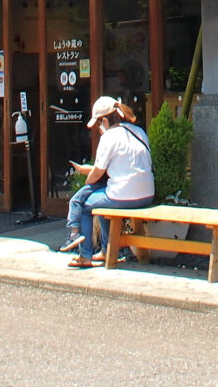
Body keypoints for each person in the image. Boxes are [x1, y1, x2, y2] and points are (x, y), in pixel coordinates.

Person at [61, 96, 155, 268]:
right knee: (103, 202)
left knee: (85, 206)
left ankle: (85, 255)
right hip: (148, 194)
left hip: (122, 196)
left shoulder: (109, 137)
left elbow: (98, 172)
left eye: (98, 124)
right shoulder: (139, 132)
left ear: (104, 120)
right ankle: (105, 251)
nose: (98, 129)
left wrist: (87, 184)